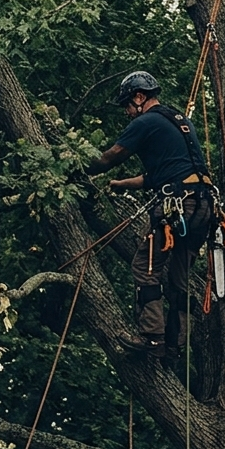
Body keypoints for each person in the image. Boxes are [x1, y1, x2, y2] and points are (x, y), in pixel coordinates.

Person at [87, 70, 213, 357]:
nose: (127, 113)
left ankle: (152, 338)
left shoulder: (146, 121)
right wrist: (121, 184)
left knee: (144, 266)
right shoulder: (179, 121)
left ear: (139, 97)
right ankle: (176, 344)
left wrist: (79, 168)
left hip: (179, 204)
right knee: (179, 278)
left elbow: (110, 157)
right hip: (202, 206)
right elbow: (159, 175)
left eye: (127, 106)